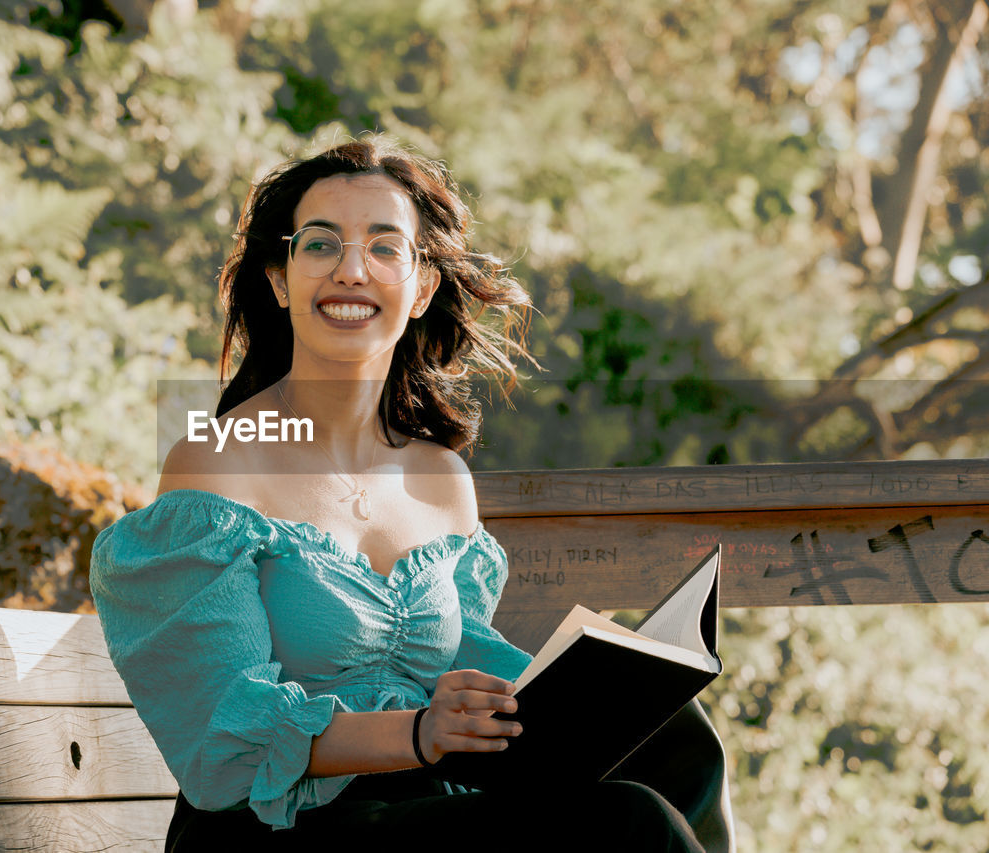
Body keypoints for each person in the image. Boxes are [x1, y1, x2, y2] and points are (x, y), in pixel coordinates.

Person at [90, 136, 732, 852]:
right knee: (628, 827)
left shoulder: (438, 478)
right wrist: (419, 732)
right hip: (275, 826)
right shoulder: (218, 465)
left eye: (385, 247)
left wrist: (591, 687)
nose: (351, 270)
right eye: (320, 245)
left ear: (423, 286)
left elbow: (462, 664)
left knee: (680, 743)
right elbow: (224, 737)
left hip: (422, 812)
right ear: (280, 277)